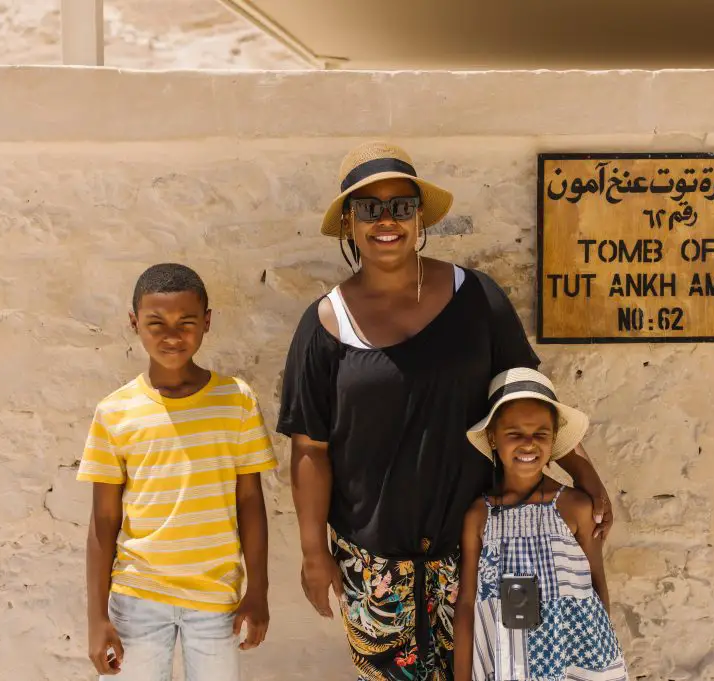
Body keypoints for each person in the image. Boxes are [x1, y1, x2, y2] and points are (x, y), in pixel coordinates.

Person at [278, 141, 613, 681]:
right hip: (374, 565)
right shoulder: (323, 327)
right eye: (369, 208)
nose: (386, 221)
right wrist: (314, 552)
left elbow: (527, 398)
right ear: (348, 222)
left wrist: (587, 476)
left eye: (401, 206)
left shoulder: (476, 298)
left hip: (480, 549)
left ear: (419, 218)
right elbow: (310, 450)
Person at [77, 263, 277, 681]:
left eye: (186, 322)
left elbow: (250, 503)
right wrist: (97, 619)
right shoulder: (114, 412)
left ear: (207, 322)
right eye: (156, 323)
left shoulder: (236, 402)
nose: (171, 335)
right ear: (134, 323)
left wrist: (257, 590)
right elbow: (104, 520)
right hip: (137, 598)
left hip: (215, 598)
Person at [455, 368, 628, 681]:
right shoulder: (480, 516)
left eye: (540, 434)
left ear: (554, 440)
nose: (528, 444)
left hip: (572, 661)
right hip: (507, 663)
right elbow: (467, 602)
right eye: (515, 434)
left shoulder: (575, 508)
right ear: (493, 438)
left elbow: (596, 586)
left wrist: (600, 662)